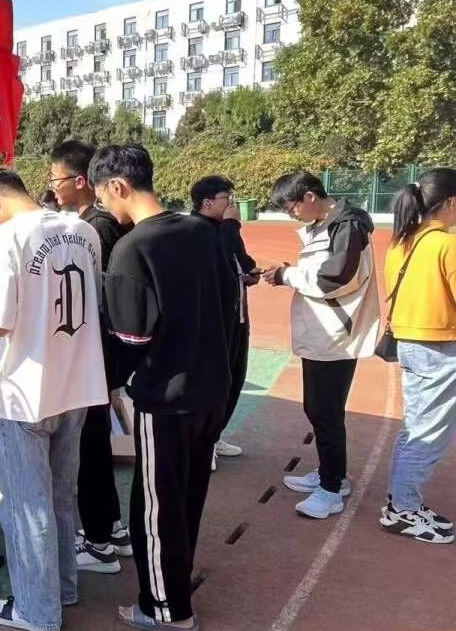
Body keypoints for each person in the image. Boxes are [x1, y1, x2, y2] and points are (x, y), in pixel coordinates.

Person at [90, 145, 235, 631]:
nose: (104, 206)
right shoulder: (202, 230)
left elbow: (131, 337)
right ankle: (176, 581)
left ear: (118, 186)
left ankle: (166, 607)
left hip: (166, 397)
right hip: (211, 389)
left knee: (154, 506)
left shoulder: (133, 248)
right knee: (188, 495)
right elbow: (228, 304)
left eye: (102, 195)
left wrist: (107, 379)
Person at [0, 169, 106, 631]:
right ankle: (62, 588)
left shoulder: (6, 237)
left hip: (25, 391)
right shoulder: (82, 229)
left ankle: (37, 609)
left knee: (26, 505)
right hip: (77, 383)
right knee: (61, 496)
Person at [265, 171, 380, 520]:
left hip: (335, 336)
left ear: (310, 197)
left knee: (325, 412)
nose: (291, 215)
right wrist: (288, 271)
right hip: (322, 333)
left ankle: (331, 489)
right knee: (319, 409)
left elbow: (335, 277)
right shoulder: (327, 224)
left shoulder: (347, 226)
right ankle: (332, 473)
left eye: (291, 207)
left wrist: (287, 275)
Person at [48, 139, 131, 572]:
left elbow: (96, 299)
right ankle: (112, 528)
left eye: (56, 178)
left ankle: (98, 542)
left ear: (81, 181)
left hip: (95, 353)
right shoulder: (92, 223)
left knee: (90, 445)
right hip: (99, 354)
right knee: (94, 441)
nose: (52, 186)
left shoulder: (94, 228)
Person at [378, 169, 456, 544]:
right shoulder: (446, 244)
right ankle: (403, 509)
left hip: (411, 344)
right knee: (428, 433)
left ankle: (402, 503)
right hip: (438, 348)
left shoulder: (401, 242)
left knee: (416, 427)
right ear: (451, 202)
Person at [189, 175, 259, 462]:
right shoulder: (195, 231)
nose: (232, 205)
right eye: (226, 199)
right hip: (213, 324)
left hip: (237, 319)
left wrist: (249, 274)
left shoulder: (225, 229)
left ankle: (214, 437)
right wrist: (231, 226)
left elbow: (241, 260)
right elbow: (220, 258)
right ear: (207, 203)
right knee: (212, 384)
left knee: (234, 379)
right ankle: (201, 444)